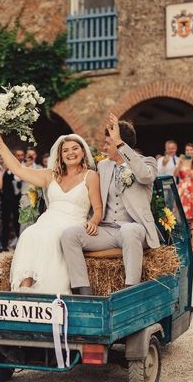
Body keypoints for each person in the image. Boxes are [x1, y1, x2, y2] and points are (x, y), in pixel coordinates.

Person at [0, 130, 102, 294]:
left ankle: (46, 290)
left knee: (51, 237)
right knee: (29, 234)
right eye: (65, 150)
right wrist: (0, 143)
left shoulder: (90, 176)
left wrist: (94, 221)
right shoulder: (50, 176)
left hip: (73, 222)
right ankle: (25, 289)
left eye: (75, 148)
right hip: (48, 220)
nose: (70, 153)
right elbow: (18, 169)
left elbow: (98, 208)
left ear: (83, 152)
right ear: (60, 155)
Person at [61, 114, 158, 295]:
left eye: (108, 143)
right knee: (69, 235)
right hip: (107, 230)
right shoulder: (103, 166)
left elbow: (144, 176)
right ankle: (83, 291)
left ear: (122, 144)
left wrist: (120, 143)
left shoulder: (147, 162)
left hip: (136, 229)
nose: (104, 148)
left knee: (129, 231)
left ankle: (131, 290)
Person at [173, 143, 193, 251]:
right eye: (187, 150)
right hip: (183, 191)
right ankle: (184, 244)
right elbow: (175, 174)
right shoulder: (182, 163)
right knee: (183, 219)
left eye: (191, 150)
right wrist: (179, 163)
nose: (189, 152)